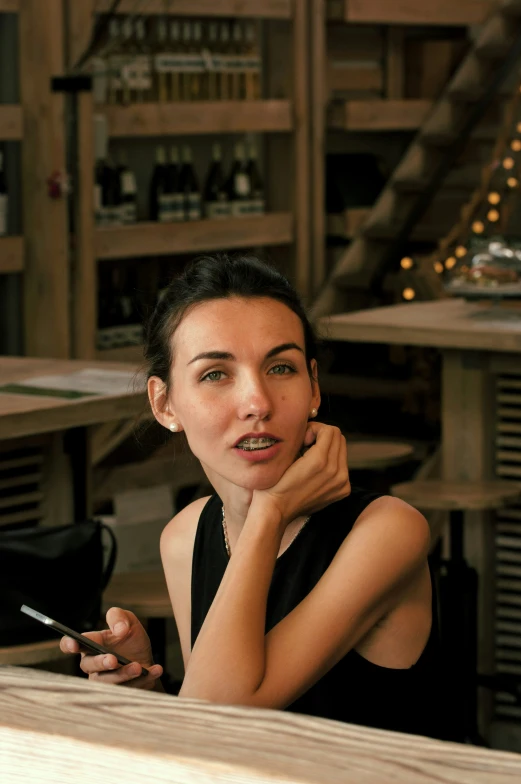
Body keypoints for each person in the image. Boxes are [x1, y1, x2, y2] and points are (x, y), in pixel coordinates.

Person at [61, 254, 442, 738]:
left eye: (281, 368)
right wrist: (145, 691)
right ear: (164, 404)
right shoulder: (186, 536)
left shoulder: (387, 530)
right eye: (215, 374)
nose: (258, 403)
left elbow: (218, 720)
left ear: (314, 388)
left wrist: (272, 510)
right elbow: (210, 725)